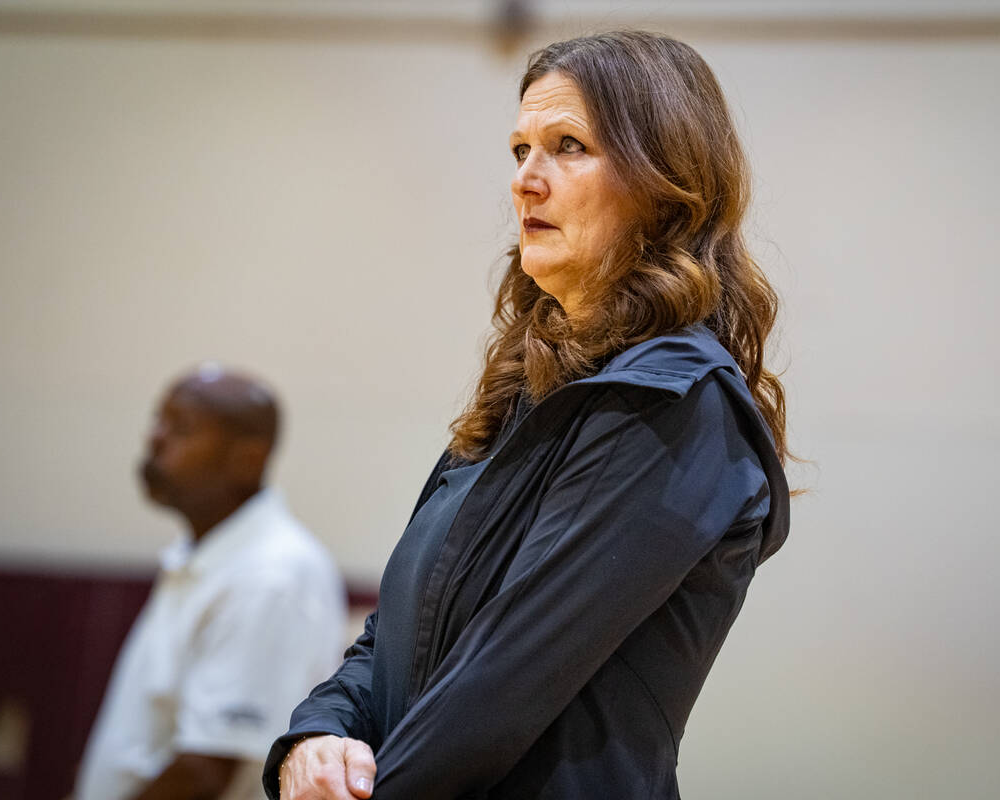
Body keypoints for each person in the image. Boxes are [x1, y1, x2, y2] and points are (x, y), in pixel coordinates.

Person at [266, 30, 791, 799]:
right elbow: (395, 632)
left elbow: (495, 693)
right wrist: (317, 736)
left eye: (568, 147)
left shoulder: (674, 403)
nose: (525, 181)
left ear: (664, 183)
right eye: (520, 151)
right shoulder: (526, 388)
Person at [75, 365, 347, 800]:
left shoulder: (272, 575)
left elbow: (204, 771)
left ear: (248, 458)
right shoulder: (206, 555)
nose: (155, 439)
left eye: (181, 428)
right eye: (159, 420)